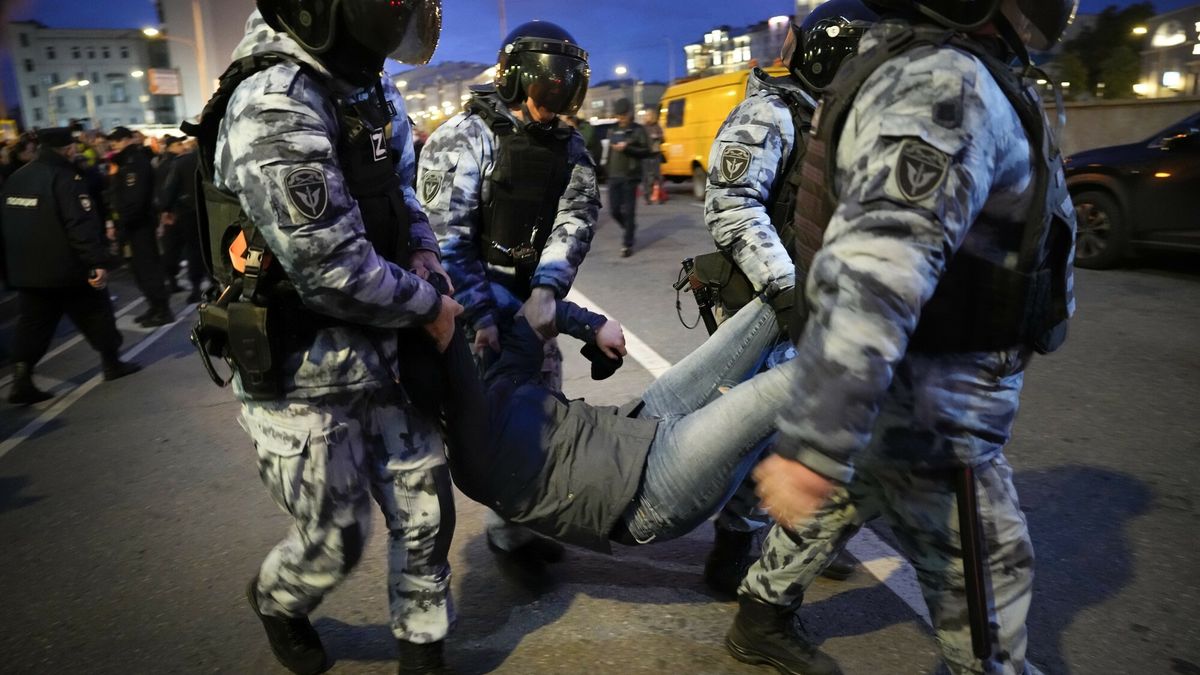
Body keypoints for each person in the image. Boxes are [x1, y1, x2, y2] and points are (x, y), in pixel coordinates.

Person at [725, 1, 1079, 673]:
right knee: (990, 585)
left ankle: (760, 610)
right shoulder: (944, 85)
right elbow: (877, 269)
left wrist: (825, 450)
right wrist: (816, 443)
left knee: (852, 489)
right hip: (939, 410)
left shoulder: (953, 71)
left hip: (913, 384)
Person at [196, 2, 458, 674]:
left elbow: (406, 193)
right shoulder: (273, 102)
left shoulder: (367, 87)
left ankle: (423, 649)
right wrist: (430, 305)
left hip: (388, 354)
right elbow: (331, 270)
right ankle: (278, 599)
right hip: (300, 371)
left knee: (425, 512)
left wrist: (426, 258)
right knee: (333, 540)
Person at [700, 0, 877, 597]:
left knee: (831, 435)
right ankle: (733, 549)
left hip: (830, 308)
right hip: (773, 306)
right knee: (765, 437)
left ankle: (807, 539)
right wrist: (786, 289)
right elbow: (731, 203)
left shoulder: (849, 122)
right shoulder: (772, 114)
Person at [417, 20, 599, 571]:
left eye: (567, 91)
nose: (556, 105)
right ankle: (431, 553)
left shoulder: (571, 149)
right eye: (548, 89)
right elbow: (446, 238)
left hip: (527, 307)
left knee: (534, 419)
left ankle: (515, 528)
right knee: (463, 430)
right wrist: (478, 315)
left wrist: (546, 291)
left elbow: (576, 219)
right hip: (467, 307)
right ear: (517, 81)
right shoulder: (465, 138)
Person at [435, 289, 808, 556]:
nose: (456, 299)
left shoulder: (495, 378)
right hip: (647, 494)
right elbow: (445, 368)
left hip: (636, 425)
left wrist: (594, 326)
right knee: (793, 379)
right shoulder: (467, 443)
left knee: (775, 303)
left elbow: (535, 313)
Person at [0, 127, 140, 405]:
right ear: (66, 149)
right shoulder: (65, 177)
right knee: (97, 313)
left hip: (28, 269)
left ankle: (21, 378)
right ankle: (112, 363)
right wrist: (95, 262)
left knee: (33, 323)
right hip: (67, 268)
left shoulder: (18, 177)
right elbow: (79, 223)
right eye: (73, 146)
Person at [107, 126, 173, 327]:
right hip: (130, 225)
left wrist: (123, 227)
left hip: (139, 225)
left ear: (129, 140)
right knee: (138, 270)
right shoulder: (122, 162)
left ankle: (162, 310)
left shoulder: (135, 162)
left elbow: (135, 200)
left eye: (118, 140)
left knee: (148, 269)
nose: (114, 144)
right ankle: (154, 306)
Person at [159, 139, 208, 304]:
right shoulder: (213, 158)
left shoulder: (182, 162)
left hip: (190, 212)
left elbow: (170, 189)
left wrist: (166, 209)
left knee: (194, 250)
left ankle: (196, 288)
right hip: (212, 210)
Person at [605, 98, 654, 257]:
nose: (621, 119)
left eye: (623, 116)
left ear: (630, 114)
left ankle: (627, 244)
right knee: (614, 210)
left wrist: (628, 147)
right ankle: (629, 226)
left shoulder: (638, 130)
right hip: (614, 174)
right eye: (618, 116)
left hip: (631, 176)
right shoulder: (612, 130)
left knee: (630, 210)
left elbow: (646, 151)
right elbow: (609, 152)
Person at [640, 109, 665, 204]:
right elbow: (639, 139)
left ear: (653, 116)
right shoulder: (643, 128)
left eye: (648, 115)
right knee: (646, 176)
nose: (646, 117)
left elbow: (663, 139)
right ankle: (647, 196)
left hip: (656, 153)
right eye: (646, 115)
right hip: (646, 154)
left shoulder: (657, 126)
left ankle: (658, 196)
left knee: (657, 176)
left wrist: (657, 137)